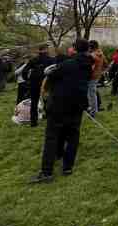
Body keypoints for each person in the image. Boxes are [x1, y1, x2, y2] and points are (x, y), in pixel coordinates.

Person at [30, 39, 92, 183]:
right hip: (77, 105)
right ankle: (67, 167)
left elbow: (51, 75)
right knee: (72, 137)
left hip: (60, 106)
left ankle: (46, 172)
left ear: (75, 49)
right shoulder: (87, 64)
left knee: (52, 138)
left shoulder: (68, 64)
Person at [23, 45, 54, 128]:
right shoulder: (51, 60)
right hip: (46, 83)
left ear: (39, 51)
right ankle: (49, 119)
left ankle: (33, 122)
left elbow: (25, 71)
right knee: (48, 101)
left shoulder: (33, 60)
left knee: (34, 102)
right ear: (46, 50)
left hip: (34, 82)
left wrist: (27, 80)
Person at [87, 40, 105, 118]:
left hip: (92, 76)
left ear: (91, 47)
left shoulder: (93, 56)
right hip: (97, 76)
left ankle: (93, 111)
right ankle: (93, 109)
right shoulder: (101, 53)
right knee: (92, 93)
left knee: (91, 94)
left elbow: (90, 67)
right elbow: (105, 63)